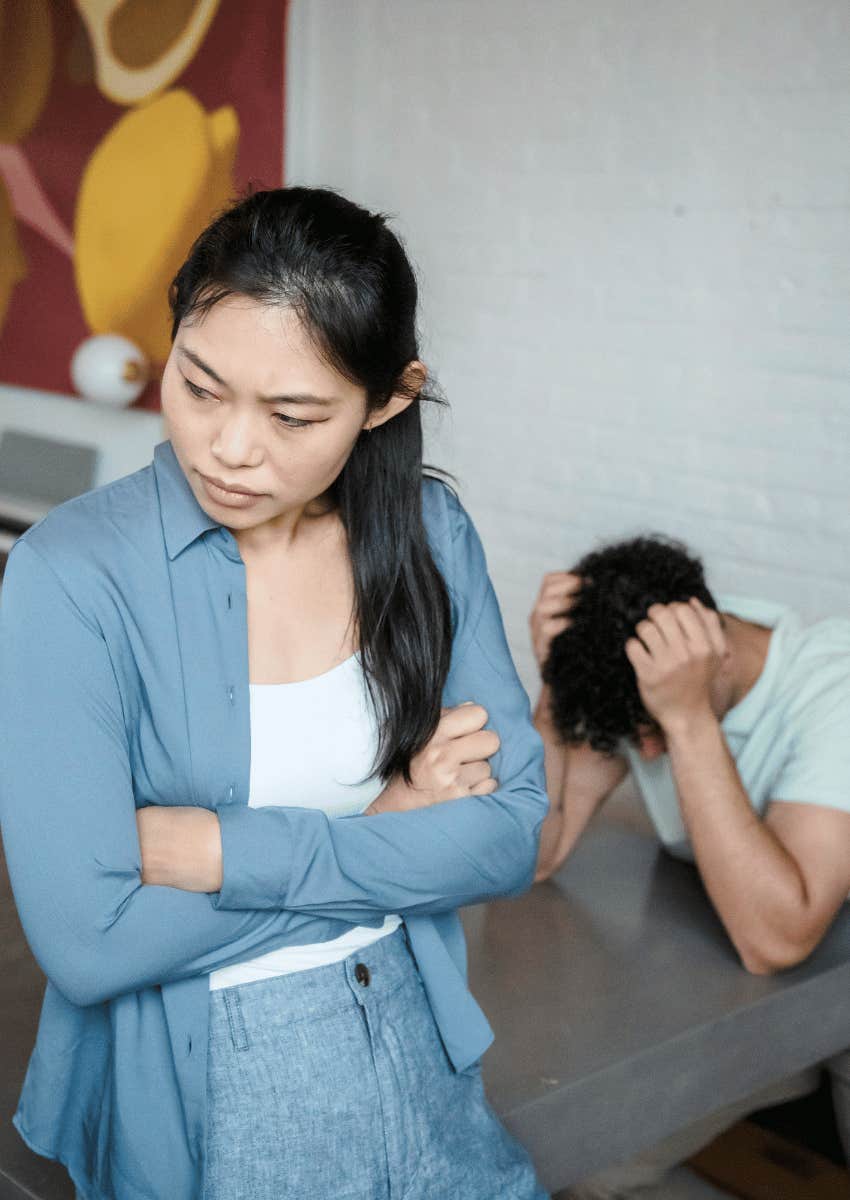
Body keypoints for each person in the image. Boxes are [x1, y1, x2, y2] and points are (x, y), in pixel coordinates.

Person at [0, 187, 550, 1200]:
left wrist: (220, 849)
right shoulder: (68, 573)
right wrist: (391, 824)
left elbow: (510, 836)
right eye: (199, 387)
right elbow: (89, 943)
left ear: (389, 398)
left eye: (292, 414)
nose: (230, 447)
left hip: (418, 1038)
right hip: (208, 1077)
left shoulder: (429, 535)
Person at [530, 534, 850, 1198]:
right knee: (581, 1170)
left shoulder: (834, 686)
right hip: (746, 989)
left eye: (653, 731)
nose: (644, 750)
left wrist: (687, 719)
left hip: (821, 979)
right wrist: (555, 684)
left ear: (718, 653)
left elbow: (775, 940)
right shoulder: (639, 661)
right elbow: (535, 854)